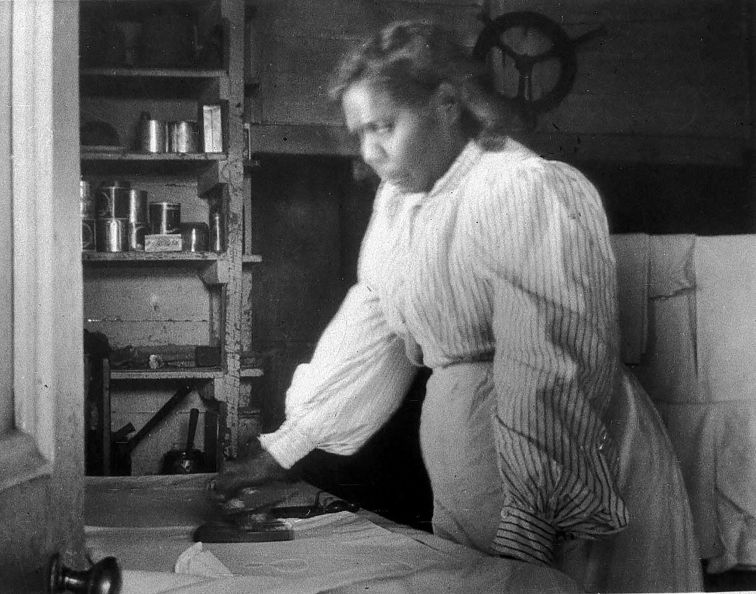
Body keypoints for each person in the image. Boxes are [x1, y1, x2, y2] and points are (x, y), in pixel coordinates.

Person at [214, 20, 703, 593]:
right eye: (359, 132)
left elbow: (552, 362)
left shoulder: (520, 187)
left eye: (385, 126)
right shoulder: (398, 207)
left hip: (557, 460)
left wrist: (531, 519)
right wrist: (283, 449)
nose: (371, 150)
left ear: (446, 105)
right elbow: (370, 329)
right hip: (469, 461)